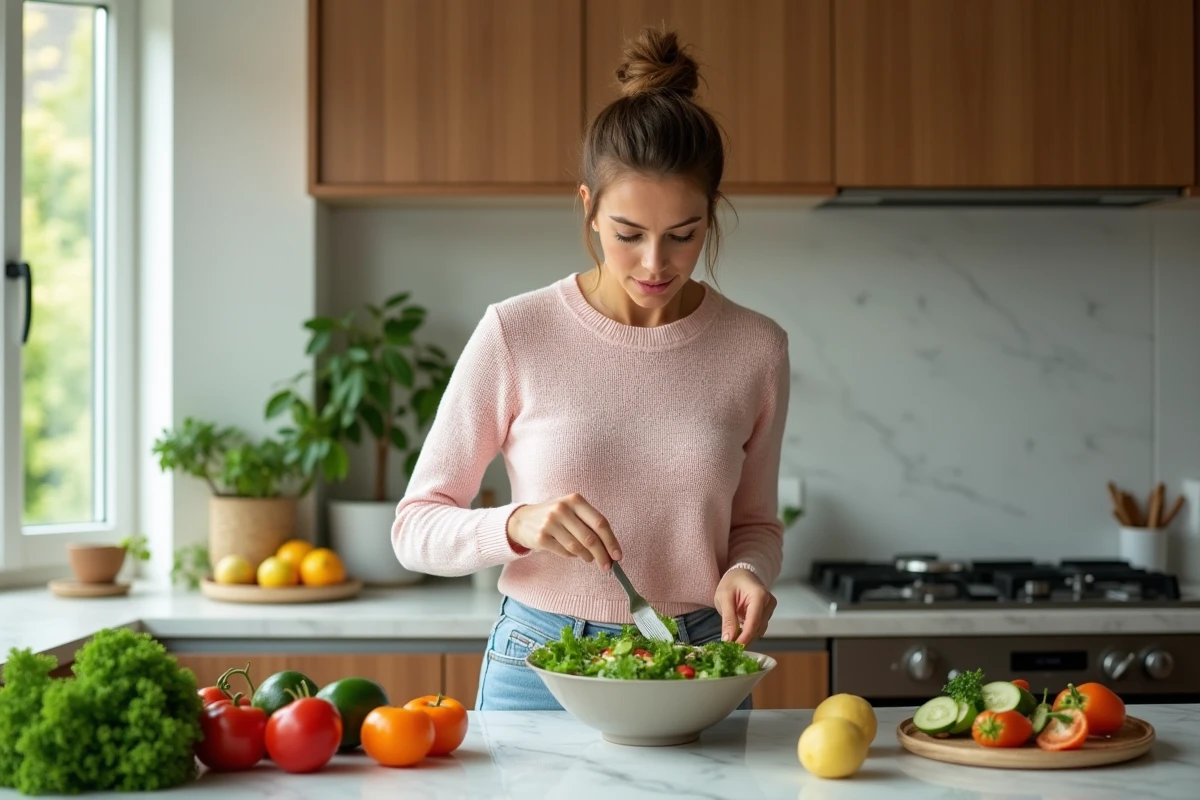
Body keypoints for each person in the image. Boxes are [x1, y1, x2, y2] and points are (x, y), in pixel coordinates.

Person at [392, 26, 790, 711]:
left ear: (712, 215)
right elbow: (414, 527)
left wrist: (747, 571)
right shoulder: (517, 332)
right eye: (628, 234)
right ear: (589, 208)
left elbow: (755, 523)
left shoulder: (756, 348)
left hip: (699, 663)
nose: (654, 264)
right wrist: (515, 525)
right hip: (539, 666)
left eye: (684, 235)